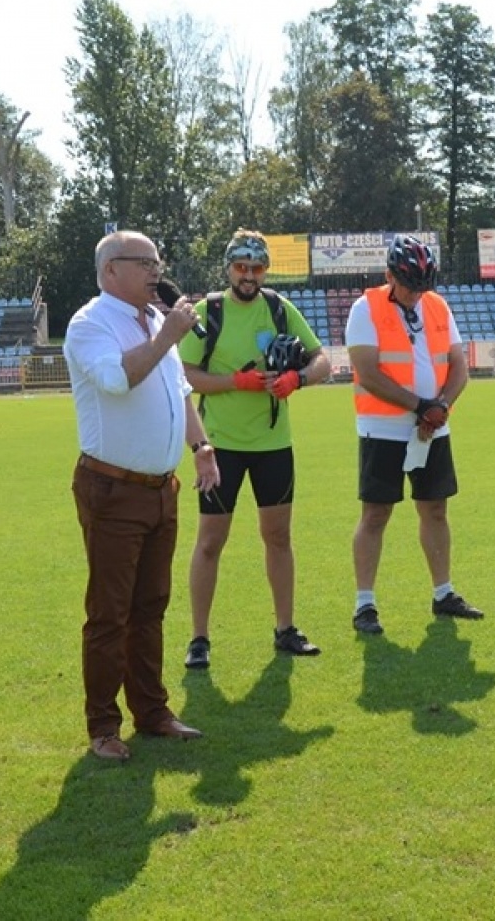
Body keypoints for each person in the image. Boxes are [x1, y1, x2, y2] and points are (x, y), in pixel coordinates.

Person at [64, 230, 221, 761]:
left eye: (158, 262)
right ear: (111, 271)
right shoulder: (90, 324)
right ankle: (103, 727)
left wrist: (200, 445)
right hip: (112, 488)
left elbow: (179, 393)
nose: (158, 271)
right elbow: (116, 380)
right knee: (110, 611)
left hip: (160, 489)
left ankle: (152, 711)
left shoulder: (156, 320)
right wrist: (169, 336)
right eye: (146, 263)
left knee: (151, 605)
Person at [178, 230, 332, 669]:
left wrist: (296, 380)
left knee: (278, 538)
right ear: (228, 268)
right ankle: (199, 639)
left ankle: (285, 630)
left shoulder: (280, 310)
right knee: (210, 541)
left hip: (273, 445)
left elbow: (322, 360)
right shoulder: (211, 312)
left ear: (266, 269)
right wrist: (236, 382)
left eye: (257, 268)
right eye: (241, 267)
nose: (249, 276)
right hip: (220, 446)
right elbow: (186, 375)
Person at [345, 234, 483, 634]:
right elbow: (368, 374)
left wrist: (439, 407)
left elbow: (459, 367)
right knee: (375, 513)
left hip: (432, 427)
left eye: (423, 284)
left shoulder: (437, 305)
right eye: (409, 284)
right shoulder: (364, 308)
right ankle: (364, 604)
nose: (416, 293)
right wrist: (421, 407)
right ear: (389, 275)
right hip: (383, 427)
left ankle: (444, 593)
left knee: (435, 508)